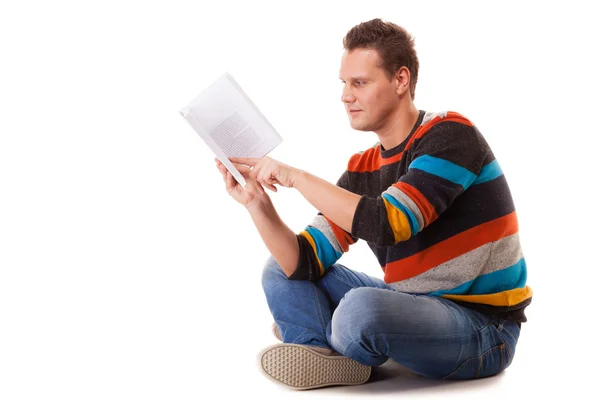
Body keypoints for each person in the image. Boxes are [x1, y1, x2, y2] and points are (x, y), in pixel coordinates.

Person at [215, 18, 532, 390]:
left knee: (360, 309)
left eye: (360, 83)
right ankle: (322, 349)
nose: (346, 96)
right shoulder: (362, 170)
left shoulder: (450, 134)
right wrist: (257, 204)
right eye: (344, 83)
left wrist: (296, 177)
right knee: (279, 270)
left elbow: (389, 222)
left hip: (484, 329)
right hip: (408, 304)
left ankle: (315, 330)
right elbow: (302, 261)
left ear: (401, 80)